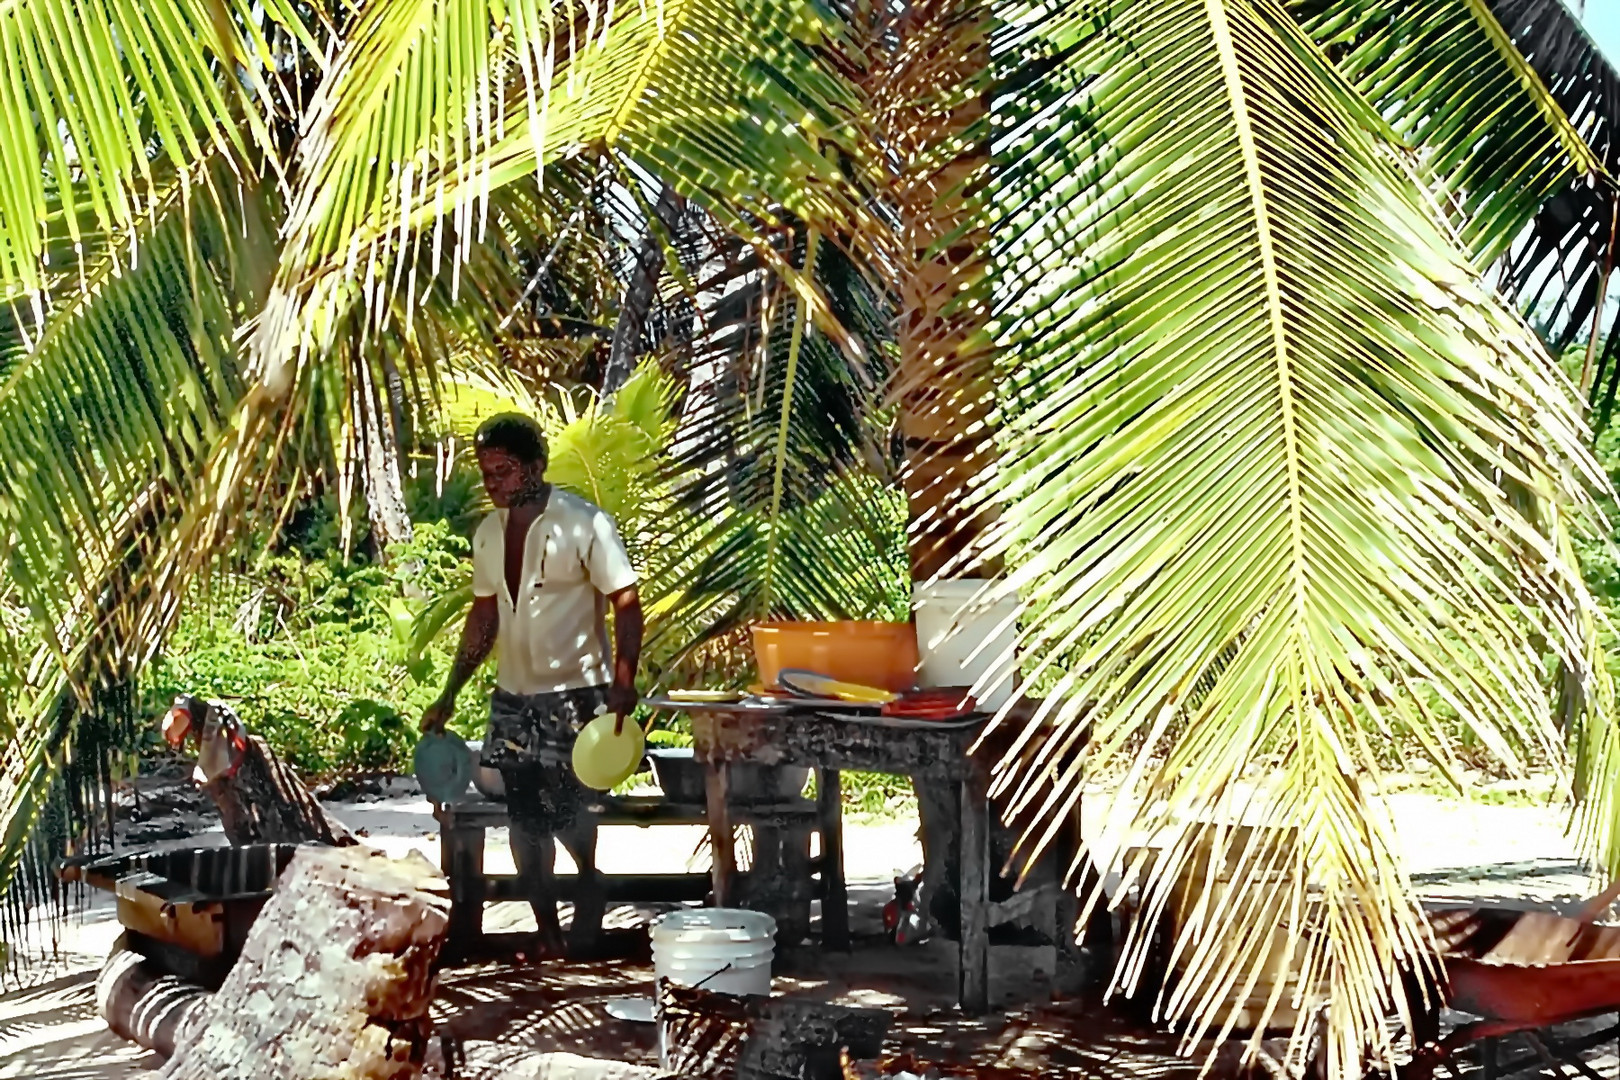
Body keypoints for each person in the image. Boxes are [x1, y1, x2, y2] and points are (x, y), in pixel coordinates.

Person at [420, 412, 643, 958]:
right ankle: (548, 933)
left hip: (577, 695)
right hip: (513, 698)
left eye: (505, 471)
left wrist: (624, 680)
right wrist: (449, 693)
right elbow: (483, 618)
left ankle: (591, 880)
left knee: (568, 811)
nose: (494, 484)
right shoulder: (488, 535)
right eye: (488, 474)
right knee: (523, 816)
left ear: (537, 467)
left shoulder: (586, 523)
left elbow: (627, 602)